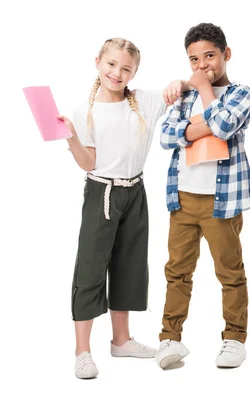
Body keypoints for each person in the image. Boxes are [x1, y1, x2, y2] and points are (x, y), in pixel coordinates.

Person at [59, 37, 187, 379]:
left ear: (134, 72)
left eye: (125, 68)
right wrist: (71, 137)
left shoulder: (143, 101)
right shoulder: (85, 112)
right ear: (98, 61)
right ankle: (82, 350)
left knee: (130, 264)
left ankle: (121, 340)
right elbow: (89, 162)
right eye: (111, 64)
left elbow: (183, 90)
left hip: (136, 192)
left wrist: (179, 83)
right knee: (91, 266)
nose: (117, 73)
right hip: (102, 193)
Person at [154, 22, 250, 370]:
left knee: (229, 271)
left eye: (209, 56)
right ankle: (170, 338)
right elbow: (167, 136)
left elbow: (226, 126)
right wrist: (200, 119)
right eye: (194, 60)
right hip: (182, 198)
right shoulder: (182, 96)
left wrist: (202, 93)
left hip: (221, 201)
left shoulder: (241, 93)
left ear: (226, 55)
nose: (202, 66)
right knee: (177, 271)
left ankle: (234, 339)